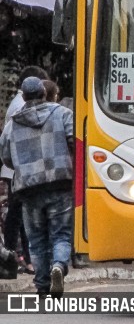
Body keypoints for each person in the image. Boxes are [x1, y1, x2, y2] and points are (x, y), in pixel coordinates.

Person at [0, 77, 74, 297]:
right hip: (60, 183)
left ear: (23, 97)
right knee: (61, 234)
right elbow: (74, 140)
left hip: (29, 189)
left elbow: (5, 156)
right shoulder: (62, 114)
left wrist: (24, 166)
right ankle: (59, 266)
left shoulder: (13, 123)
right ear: (44, 92)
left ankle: (42, 286)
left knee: (37, 239)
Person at [1, 66, 49, 276]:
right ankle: (20, 259)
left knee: (18, 215)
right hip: (22, 170)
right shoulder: (23, 106)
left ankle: (16, 257)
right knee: (22, 216)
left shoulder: (17, 104)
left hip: (17, 169)